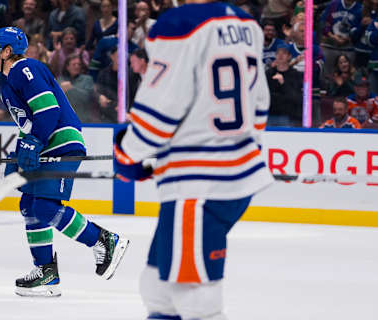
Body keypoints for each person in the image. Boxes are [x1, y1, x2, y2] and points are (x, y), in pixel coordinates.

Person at [113, 2, 274, 319]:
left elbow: (161, 108)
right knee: (159, 289)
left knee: (196, 298)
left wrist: (129, 152)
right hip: (235, 176)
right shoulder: (247, 25)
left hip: (199, 188)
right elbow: (259, 109)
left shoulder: (179, 24)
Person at [0, 26, 129, 297]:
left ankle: (104, 240)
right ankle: (46, 272)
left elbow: (49, 111)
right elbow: (29, 125)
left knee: (44, 206)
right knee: (29, 204)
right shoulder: (8, 86)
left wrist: (34, 142)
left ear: (7, 51)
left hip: (60, 142)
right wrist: (19, 153)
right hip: (46, 144)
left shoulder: (23, 69)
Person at [266, 43, 303, 127]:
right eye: (278, 53)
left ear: (289, 56)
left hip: (287, 116)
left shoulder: (295, 74)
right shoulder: (269, 73)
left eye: (284, 53)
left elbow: (295, 97)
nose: (280, 55)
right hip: (270, 114)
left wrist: (283, 83)